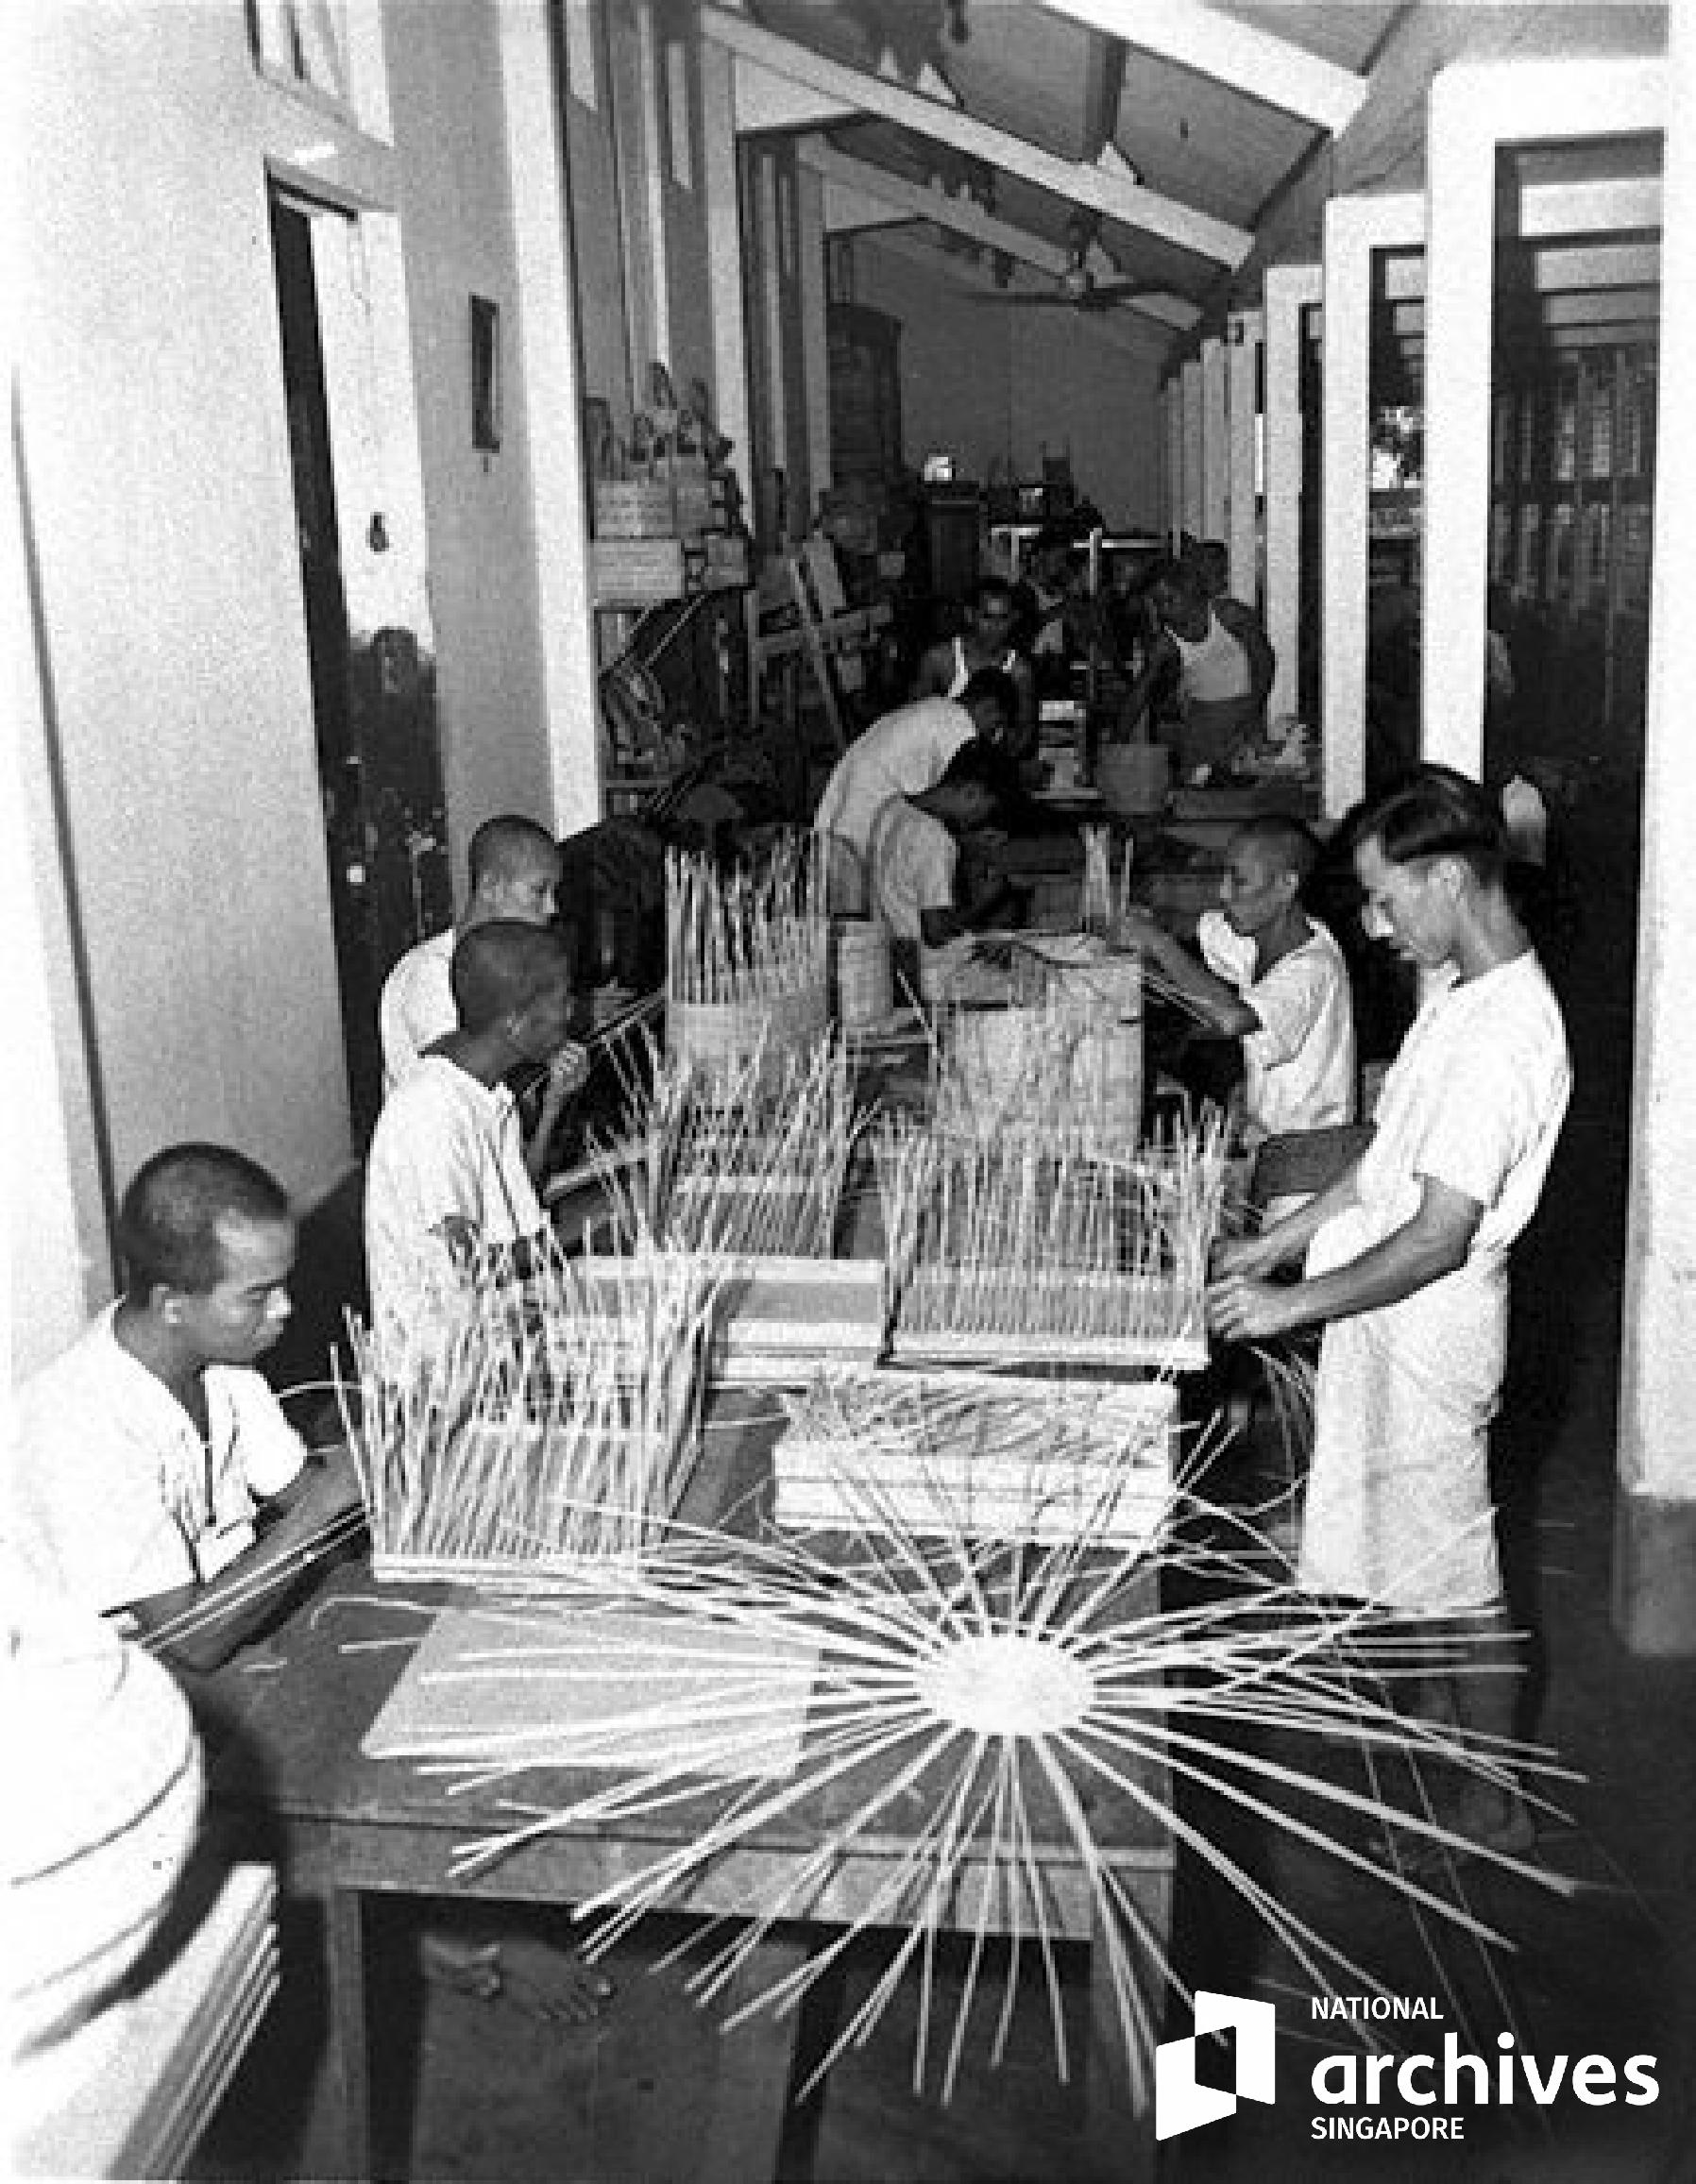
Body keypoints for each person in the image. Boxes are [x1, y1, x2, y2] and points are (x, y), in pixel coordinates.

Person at [1207, 766, 1571, 1855]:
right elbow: (1384, 1160)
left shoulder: (1509, 1031)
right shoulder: (1456, 995)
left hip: (1432, 1325)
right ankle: (1436, 1737)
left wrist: (1294, 1305)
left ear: (1448, 877)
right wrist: (1270, 1242)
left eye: (1384, 898)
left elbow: (1435, 1234)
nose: (1372, 925)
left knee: (1459, 1577)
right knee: (1407, 1555)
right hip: (1387, 1315)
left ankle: (1490, 1803)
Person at [12, 1144, 364, 1674]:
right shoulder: (81, 1422)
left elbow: (303, 1490)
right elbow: (191, 1640)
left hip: (212, 1639)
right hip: (92, 1685)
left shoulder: (225, 1363)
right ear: (171, 1304)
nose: (285, 1309)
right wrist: (323, 1508)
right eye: (258, 1295)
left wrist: (392, 1458)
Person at [364, 922, 587, 1343]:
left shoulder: (488, 1090)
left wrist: (555, 1104)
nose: (571, 1012)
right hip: (437, 1376)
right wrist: (584, 1225)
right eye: (562, 999)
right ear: (514, 1022)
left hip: (490, 1340)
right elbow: (464, 1266)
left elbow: (522, 1205)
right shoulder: (431, 1112)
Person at [1116, 815, 1355, 1147]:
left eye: (1239, 881)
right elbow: (1192, 926)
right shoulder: (1257, 935)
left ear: (1287, 886)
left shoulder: (1312, 968)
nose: (1223, 892)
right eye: (1224, 876)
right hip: (1264, 1139)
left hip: (1307, 1160)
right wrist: (1141, 920)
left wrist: (1159, 943)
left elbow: (1231, 1019)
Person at [379, 815, 564, 1093]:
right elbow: (467, 1081)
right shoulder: (430, 975)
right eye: (538, 891)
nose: (551, 908)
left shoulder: (508, 966)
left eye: (553, 892)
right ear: (490, 887)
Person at [813, 671, 1017, 913]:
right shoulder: (958, 727)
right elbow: (945, 801)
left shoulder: (933, 711)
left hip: (841, 824)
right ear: (988, 708)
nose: (993, 735)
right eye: (996, 725)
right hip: (861, 837)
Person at [866, 739, 1013, 1004]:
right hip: (928, 974)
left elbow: (908, 867)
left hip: (888, 960)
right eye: (982, 809)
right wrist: (985, 902)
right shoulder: (934, 839)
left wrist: (964, 844)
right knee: (1031, 978)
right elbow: (936, 934)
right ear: (971, 792)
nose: (979, 820)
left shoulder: (891, 808)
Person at [1121, 557, 1275, 782]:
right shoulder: (1165, 643)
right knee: (1201, 789)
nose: (1164, 610)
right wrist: (1117, 742)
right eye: (1158, 603)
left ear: (1190, 592)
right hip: (1201, 723)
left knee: (1243, 786)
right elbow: (1140, 692)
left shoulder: (1231, 615)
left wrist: (1253, 711)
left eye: (1170, 600)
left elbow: (1264, 662)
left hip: (1244, 715)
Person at [912, 578, 1037, 756]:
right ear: (970, 615)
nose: (995, 627)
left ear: (1013, 619)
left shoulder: (1019, 671)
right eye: (987, 617)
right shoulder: (940, 660)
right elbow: (915, 721)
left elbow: (1024, 730)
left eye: (1003, 619)